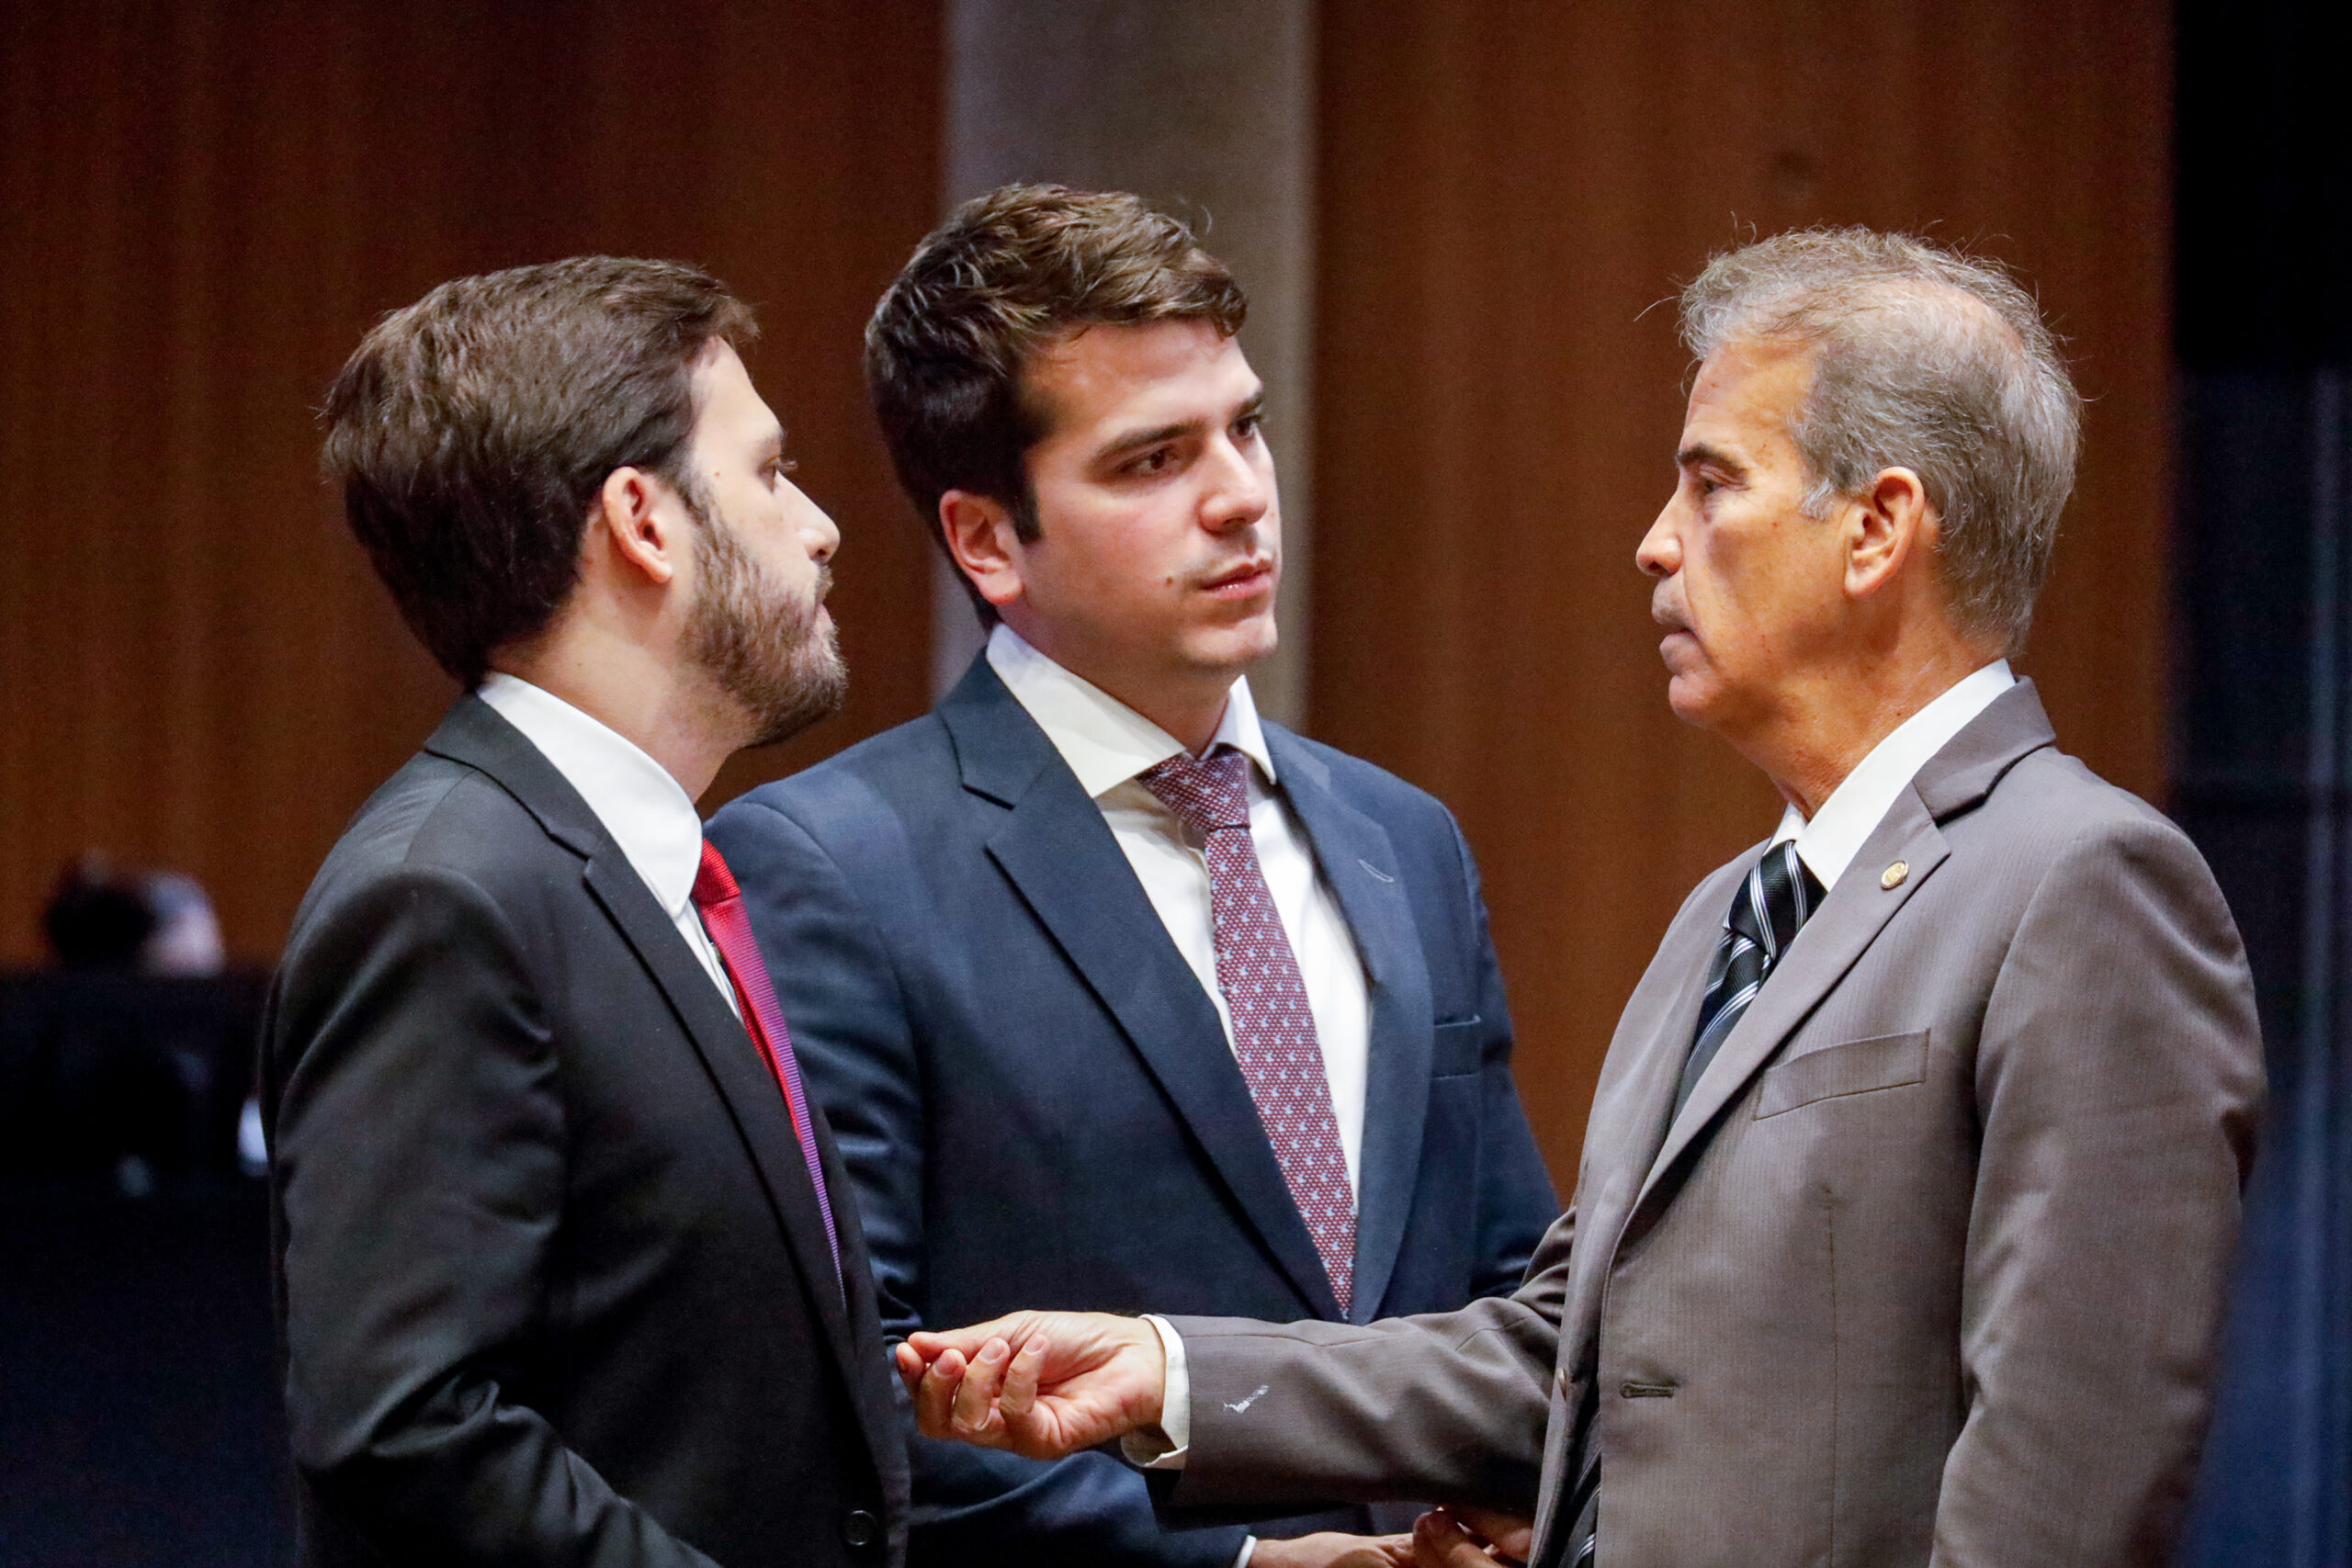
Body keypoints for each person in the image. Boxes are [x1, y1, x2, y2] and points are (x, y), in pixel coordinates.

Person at [890, 228, 2267, 1568]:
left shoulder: (2082, 886)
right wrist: (1168, 1371)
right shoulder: (1733, 908)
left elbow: (2062, 1485)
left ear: (1876, 528)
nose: (1655, 546)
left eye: (1712, 485)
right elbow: (1568, 1349)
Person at [705, 185, 1556, 1568]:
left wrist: (1517, 1508)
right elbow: (847, 1392)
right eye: (1152, 461)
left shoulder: (1408, 838)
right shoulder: (827, 868)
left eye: (1245, 426)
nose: (1240, 496)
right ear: (988, 541)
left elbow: (1514, 1293)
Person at [266, 257, 905, 1567]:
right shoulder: (441, 894)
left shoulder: (652, 871)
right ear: (644, 521)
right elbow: (406, 1429)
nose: (822, 525)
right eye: (772, 473)